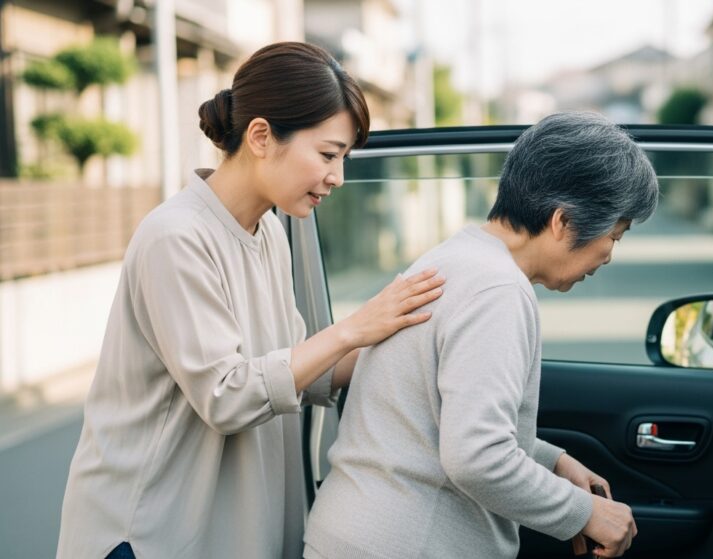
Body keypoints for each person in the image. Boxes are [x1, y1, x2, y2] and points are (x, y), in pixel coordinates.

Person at [56, 42, 444, 559]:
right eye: (329, 154)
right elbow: (228, 393)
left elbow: (298, 366)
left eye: (343, 158)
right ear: (261, 136)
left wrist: (421, 329)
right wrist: (353, 328)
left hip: (227, 526)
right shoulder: (177, 237)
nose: (338, 176)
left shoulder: (268, 234)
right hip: (152, 534)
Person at [304, 112, 659, 559]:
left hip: (355, 531)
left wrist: (552, 460)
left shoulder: (453, 258)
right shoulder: (499, 291)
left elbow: (433, 418)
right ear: (563, 222)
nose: (608, 255)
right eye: (615, 235)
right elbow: (477, 458)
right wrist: (583, 512)